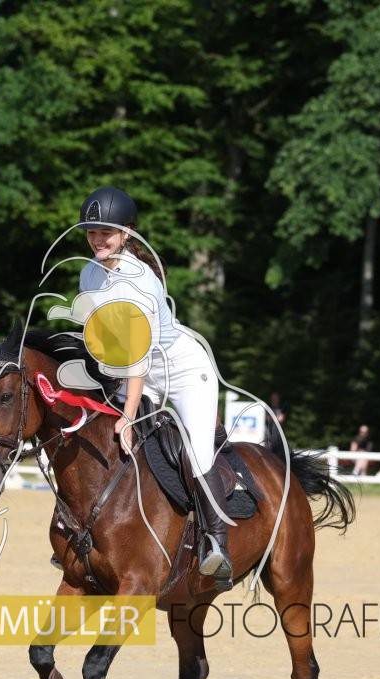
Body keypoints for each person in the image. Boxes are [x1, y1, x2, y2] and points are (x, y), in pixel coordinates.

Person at [77, 186, 233, 585]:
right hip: (132, 372)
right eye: (92, 232)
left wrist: (129, 415)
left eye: (106, 232)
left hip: (181, 371)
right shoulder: (89, 273)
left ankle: (216, 544)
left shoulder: (140, 281)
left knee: (196, 454)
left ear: (126, 233)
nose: (97, 239)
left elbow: (139, 356)